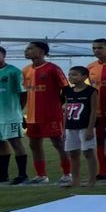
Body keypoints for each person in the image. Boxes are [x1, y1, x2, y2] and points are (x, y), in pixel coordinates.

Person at [22, 40, 69, 184]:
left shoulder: (52, 69)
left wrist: (61, 104)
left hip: (51, 114)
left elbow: (66, 89)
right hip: (32, 115)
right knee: (34, 144)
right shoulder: (26, 70)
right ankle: (41, 175)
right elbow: (25, 92)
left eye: (30, 48)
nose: (26, 51)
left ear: (42, 52)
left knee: (58, 143)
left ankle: (68, 173)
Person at [0, 44, 29, 184]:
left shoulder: (13, 72)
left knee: (15, 142)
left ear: (4, 55)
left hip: (10, 115)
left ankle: (22, 175)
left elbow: (23, 94)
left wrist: (18, 112)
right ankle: (2, 175)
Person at [60, 65, 99, 188]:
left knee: (88, 152)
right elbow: (66, 111)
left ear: (84, 76)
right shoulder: (68, 91)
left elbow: (93, 110)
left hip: (85, 126)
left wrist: (90, 128)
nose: (71, 77)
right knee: (73, 153)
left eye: (75, 74)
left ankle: (92, 180)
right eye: (70, 75)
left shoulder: (91, 91)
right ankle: (75, 179)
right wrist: (64, 129)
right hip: (71, 126)